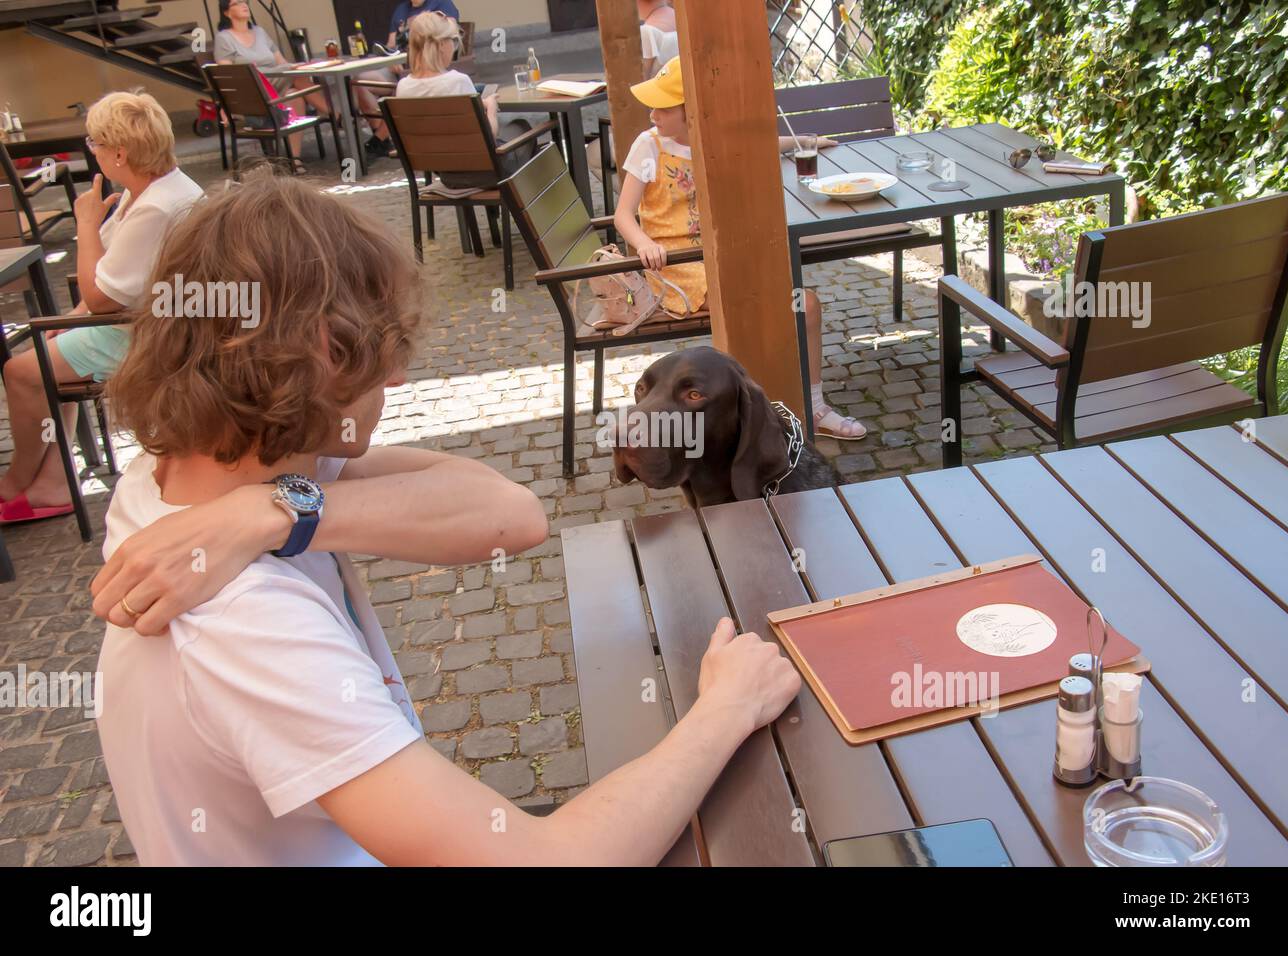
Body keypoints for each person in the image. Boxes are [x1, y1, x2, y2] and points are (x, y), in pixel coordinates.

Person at [91, 174, 801, 866]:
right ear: (319, 351)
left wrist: (273, 511)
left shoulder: (177, 479)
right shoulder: (250, 629)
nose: (395, 377)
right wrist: (726, 708)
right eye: (376, 345)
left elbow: (510, 513)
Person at [613, 57, 867, 439]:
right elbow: (623, 216)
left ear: (693, 112)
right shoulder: (647, 146)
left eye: (664, 107)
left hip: (722, 256)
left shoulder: (715, 137)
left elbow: (760, 141)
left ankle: (812, 408)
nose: (653, 114)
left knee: (806, 306)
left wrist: (807, 142)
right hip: (677, 268)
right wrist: (644, 242)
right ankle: (756, 422)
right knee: (757, 313)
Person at [0, 91, 203, 525]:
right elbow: (110, 275)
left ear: (119, 152)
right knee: (50, 357)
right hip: (151, 318)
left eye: (93, 143)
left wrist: (86, 224)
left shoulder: (154, 206)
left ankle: (17, 479)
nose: (91, 152)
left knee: (19, 372)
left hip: (151, 332)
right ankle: (55, 477)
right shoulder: (158, 187)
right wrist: (71, 320)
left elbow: (100, 297)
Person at [213, 0, 394, 163]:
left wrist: (296, 66)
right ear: (226, 12)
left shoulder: (259, 32)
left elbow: (282, 63)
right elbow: (228, 74)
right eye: (237, 2)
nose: (244, 5)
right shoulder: (224, 38)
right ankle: (337, 116)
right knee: (298, 77)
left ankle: (295, 160)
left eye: (246, 1)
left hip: (280, 85)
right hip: (255, 89)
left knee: (296, 95)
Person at [395, 12, 537, 186]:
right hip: (487, 171)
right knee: (522, 127)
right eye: (453, 41)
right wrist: (491, 108)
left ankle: (493, 209)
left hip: (446, 174)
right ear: (440, 44)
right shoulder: (457, 81)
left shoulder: (403, 87)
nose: (454, 47)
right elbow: (488, 135)